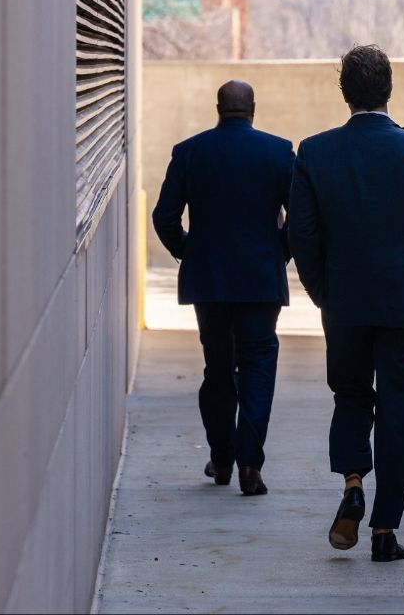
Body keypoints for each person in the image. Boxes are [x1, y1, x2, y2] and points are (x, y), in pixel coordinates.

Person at [288, 45, 404, 562]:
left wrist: (323, 291)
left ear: (345, 92)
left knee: (351, 395)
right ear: (389, 90)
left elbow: (302, 235)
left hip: (345, 301)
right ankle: (385, 532)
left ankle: (354, 481)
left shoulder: (314, 152)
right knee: (398, 409)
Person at [152, 80, 294, 496]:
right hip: (259, 282)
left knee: (217, 369)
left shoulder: (189, 152)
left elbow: (164, 217)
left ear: (218, 108)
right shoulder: (278, 151)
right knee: (258, 366)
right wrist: (277, 254)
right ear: (253, 109)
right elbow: (302, 217)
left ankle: (222, 458)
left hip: (209, 281)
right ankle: (250, 463)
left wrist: (189, 252)